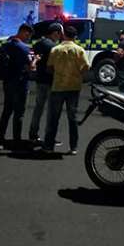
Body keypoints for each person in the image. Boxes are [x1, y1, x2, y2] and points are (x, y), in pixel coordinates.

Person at [44, 26, 90, 154]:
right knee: (72, 118)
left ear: (64, 35)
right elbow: (86, 67)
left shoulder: (55, 49)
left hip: (58, 86)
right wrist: (78, 74)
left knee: (54, 118)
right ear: (75, 37)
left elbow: (49, 68)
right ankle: (73, 147)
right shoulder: (79, 50)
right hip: (74, 87)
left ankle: (48, 147)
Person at [0, 24, 34, 148]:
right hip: (20, 83)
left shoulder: (7, 44)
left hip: (7, 82)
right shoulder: (24, 48)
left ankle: (0, 139)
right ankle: (16, 140)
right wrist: (36, 60)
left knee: (7, 111)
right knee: (19, 113)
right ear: (24, 33)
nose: (29, 38)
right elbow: (31, 67)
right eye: (28, 35)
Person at [29, 23, 63, 143]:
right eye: (59, 34)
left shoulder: (38, 43)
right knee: (51, 111)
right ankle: (49, 137)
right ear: (55, 33)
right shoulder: (53, 47)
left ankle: (33, 133)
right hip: (50, 81)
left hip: (40, 80)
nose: (60, 37)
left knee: (38, 108)